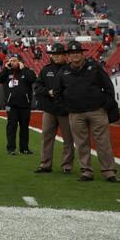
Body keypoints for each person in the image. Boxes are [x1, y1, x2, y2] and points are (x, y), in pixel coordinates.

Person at [57, 41, 119, 182]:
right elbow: (57, 92)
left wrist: (105, 105)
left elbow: (108, 87)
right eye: (72, 54)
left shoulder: (95, 67)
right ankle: (86, 171)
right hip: (75, 113)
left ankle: (109, 171)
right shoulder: (64, 72)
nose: (75, 56)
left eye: (77, 53)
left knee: (103, 142)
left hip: (97, 111)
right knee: (81, 143)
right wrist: (67, 108)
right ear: (68, 56)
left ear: (82, 53)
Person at [33, 43, 74, 174]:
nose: (56, 57)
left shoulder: (71, 69)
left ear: (65, 55)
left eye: (59, 54)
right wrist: (48, 92)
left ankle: (67, 166)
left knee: (68, 139)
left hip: (65, 110)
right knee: (46, 137)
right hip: (49, 109)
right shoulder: (46, 70)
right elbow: (37, 87)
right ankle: (45, 164)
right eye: (54, 55)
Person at [0, 54, 36, 155]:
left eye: (14, 60)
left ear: (19, 62)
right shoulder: (7, 72)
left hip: (25, 105)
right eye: (10, 60)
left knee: (24, 127)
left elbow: (33, 79)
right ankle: (11, 148)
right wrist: (5, 68)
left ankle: (24, 148)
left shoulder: (26, 71)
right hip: (11, 105)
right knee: (11, 127)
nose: (12, 62)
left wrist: (24, 68)